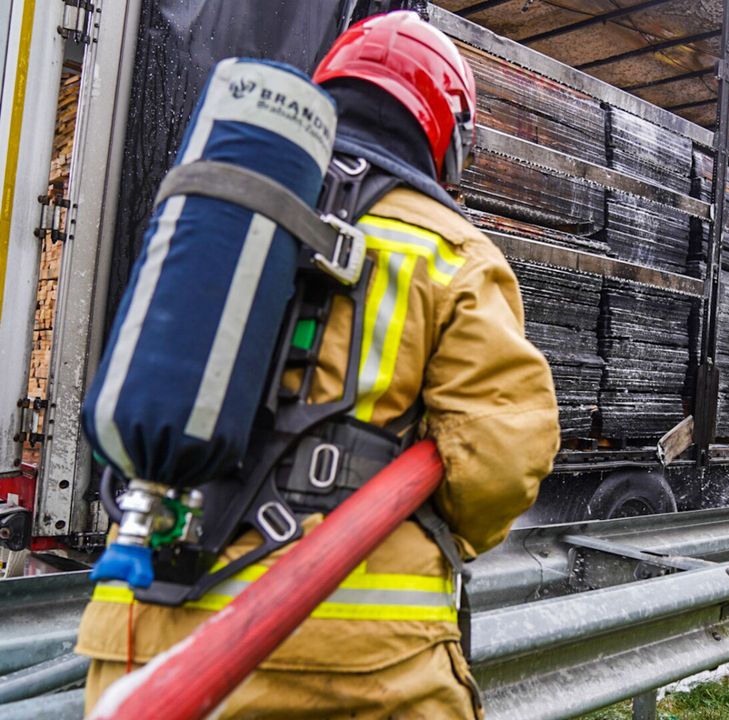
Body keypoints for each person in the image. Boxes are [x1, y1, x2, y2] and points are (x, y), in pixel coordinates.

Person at [77, 12, 560, 718]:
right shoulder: (451, 250)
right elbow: (501, 460)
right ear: (446, 132)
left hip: (138, 637)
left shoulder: (227, 204)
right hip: (351, 653)